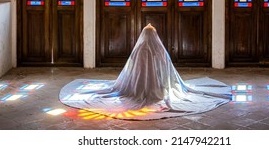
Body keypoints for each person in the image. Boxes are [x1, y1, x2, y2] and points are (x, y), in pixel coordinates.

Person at [60, 24, 230, 120]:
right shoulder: (159, 49)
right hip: (160, 86)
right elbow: (166, 71)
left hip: (136, 86)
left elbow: (133, 70)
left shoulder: (140, 48)